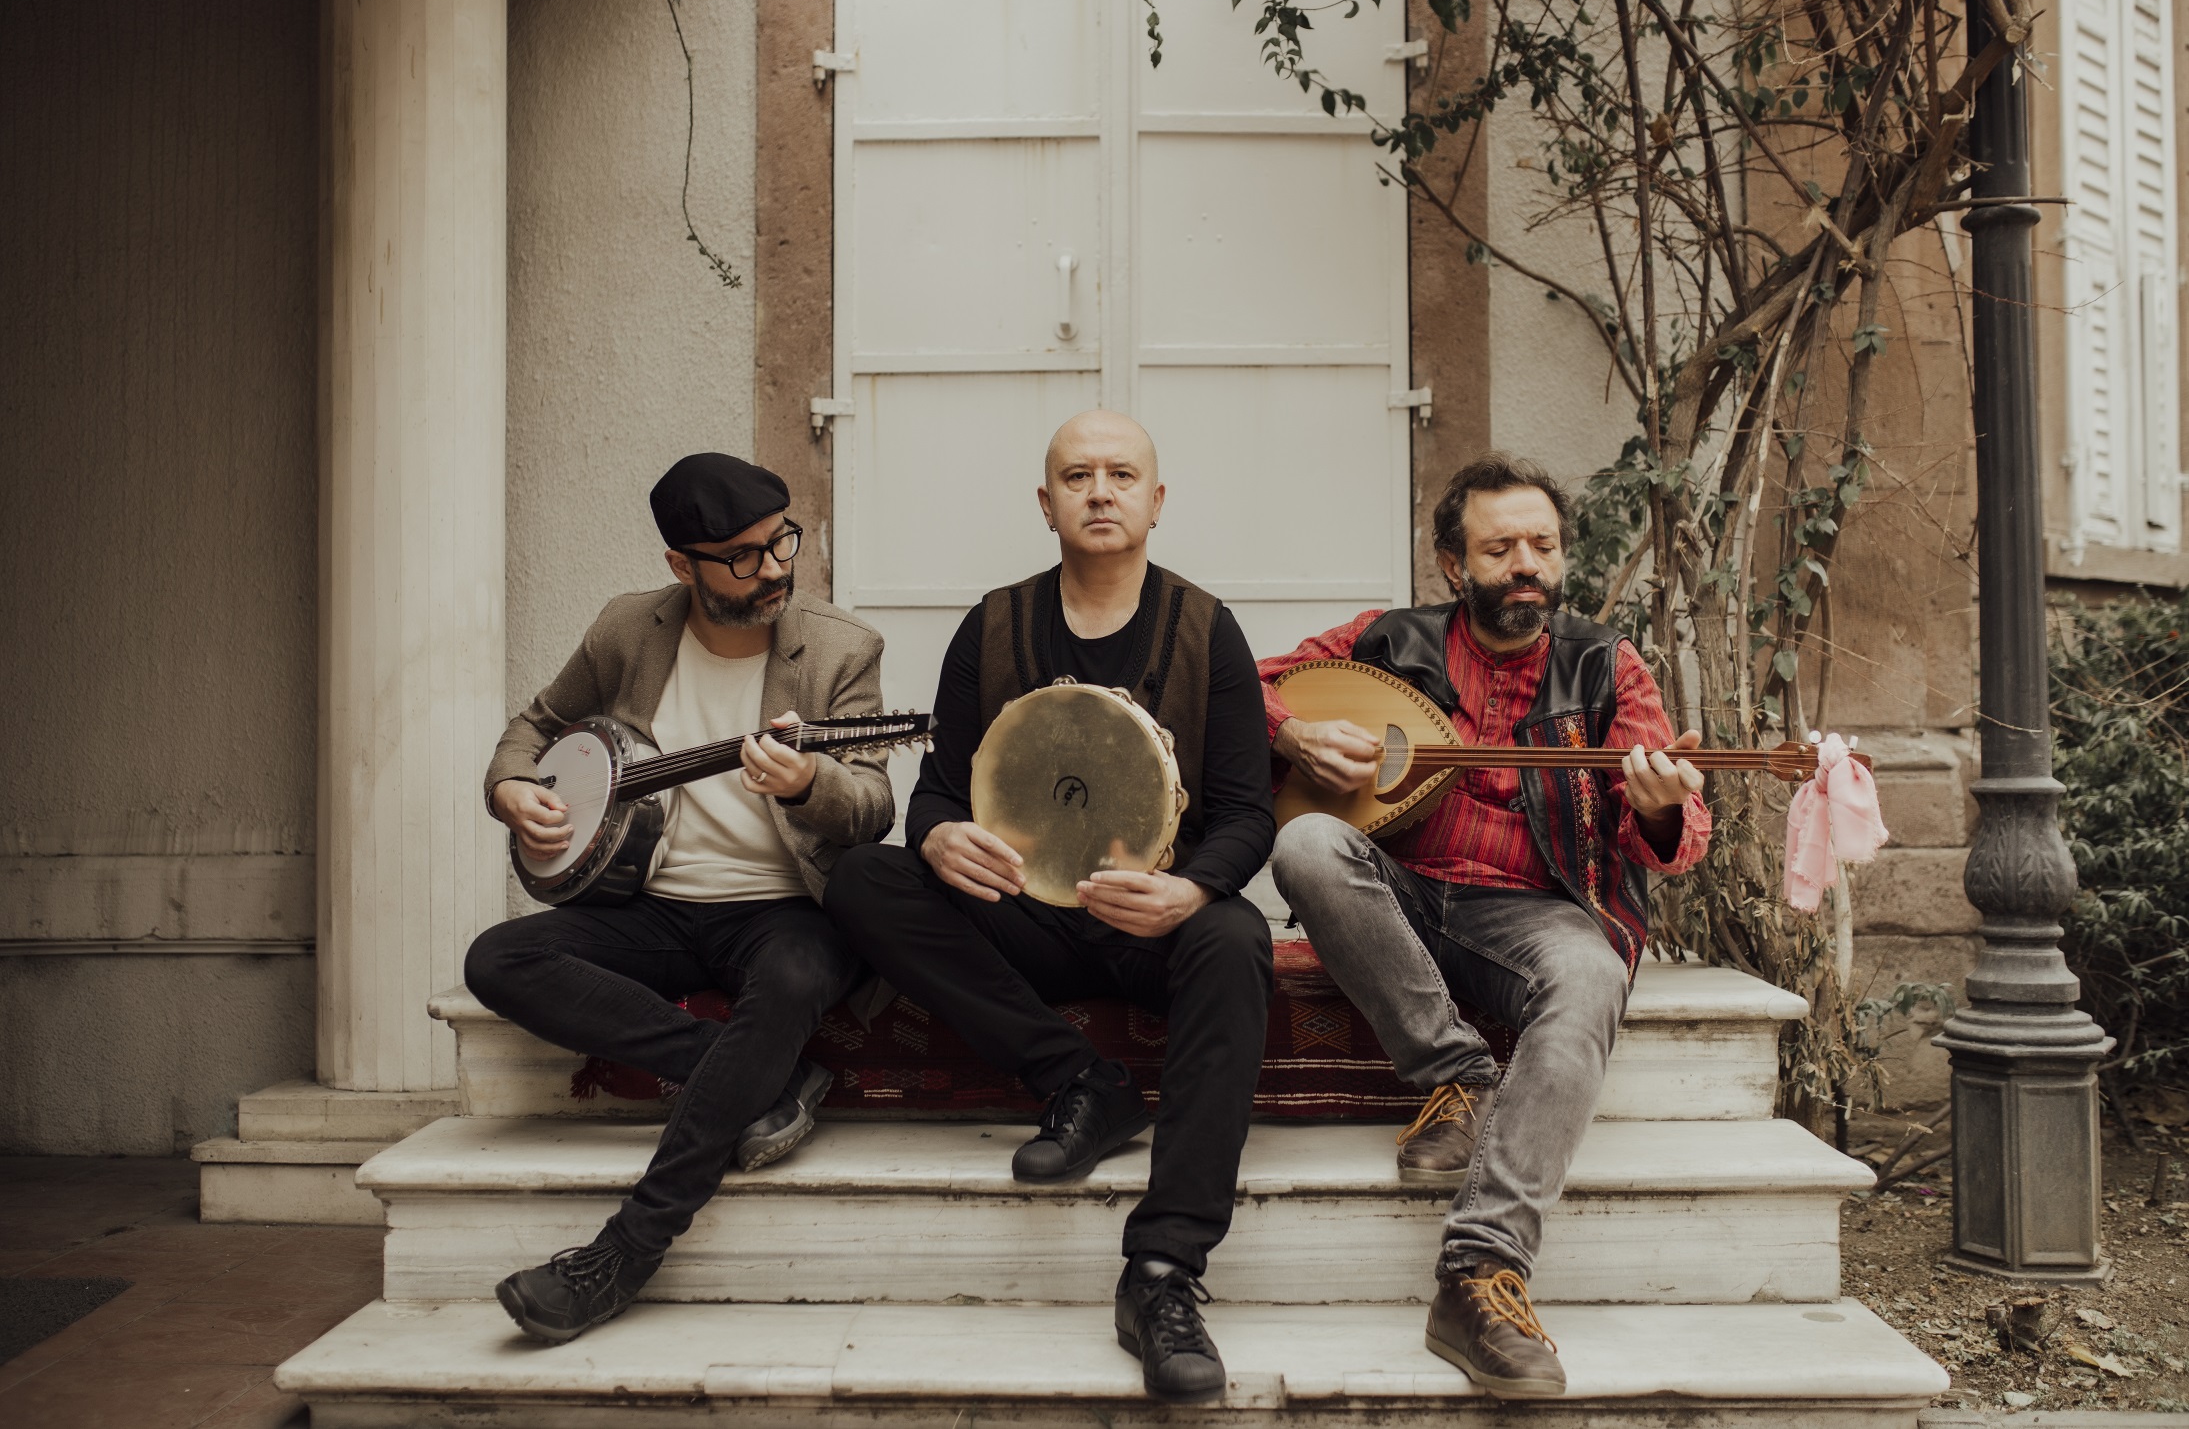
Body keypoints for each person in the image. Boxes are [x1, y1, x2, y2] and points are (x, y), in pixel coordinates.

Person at [824, 411, 1275, 1404]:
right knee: (863, 878)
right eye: (1076, 475)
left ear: (1155, 500)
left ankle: (1162, 1269)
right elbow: (938, 792)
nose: (1099, 491)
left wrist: (1190, 889)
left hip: (1148, 924)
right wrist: (937, 835)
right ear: (1045, 501)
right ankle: (1077, 1078)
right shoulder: (992, 625)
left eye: (1121, 474)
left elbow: (1249, 813)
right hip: (1023, 915)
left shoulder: (1206, 629)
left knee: (1236, 936)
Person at [1261, 454, 1710, 1398]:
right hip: (1400, 897)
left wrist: (1662, 807)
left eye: (1542, 546)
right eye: (1499, 548)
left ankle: (1479, 1272)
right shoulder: (1385, 641)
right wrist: (1292, 734)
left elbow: (1676, 837)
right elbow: (1240, 684)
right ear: (1451, 565)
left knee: (1592, 974)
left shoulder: (1604, 665)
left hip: (1532, 916)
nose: (1525, 566)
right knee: (1305, 842)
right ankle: (1458, 1077)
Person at [465, 452, 893, 1344]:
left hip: (784, 908)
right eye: (740, 557)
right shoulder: (628, 629)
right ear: (680, 565)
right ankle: (766, 1074)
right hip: (652, 905)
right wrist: (510, 789)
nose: (772, 568)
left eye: (781, 541)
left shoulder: (841, 647)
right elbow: (535, 726)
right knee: (499, 958)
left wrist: (808, 781)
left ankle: (624, 1251)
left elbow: (871, 807)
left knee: (789, 982)